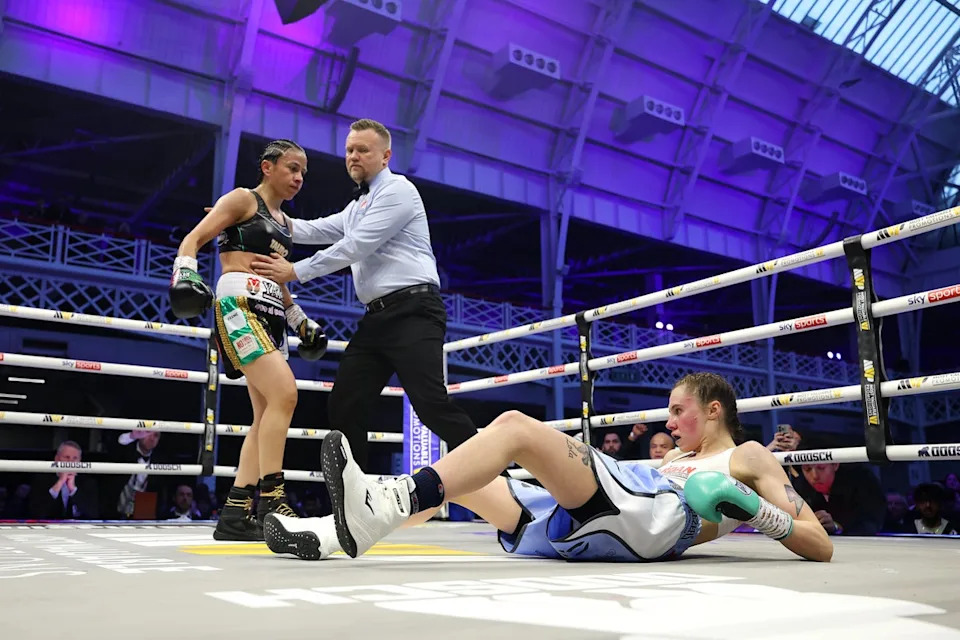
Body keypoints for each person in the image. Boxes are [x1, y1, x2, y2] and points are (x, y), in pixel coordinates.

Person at [263, 372, 833, 563]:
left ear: (714, 410)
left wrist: (757, 510)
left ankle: (371, 511)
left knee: (512, 427)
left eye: (679, 411)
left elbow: (819, 544)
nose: (671, 422)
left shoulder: (747, 456)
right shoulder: (679, 458)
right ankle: (326, 533)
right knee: (468, 481)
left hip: (654, 519)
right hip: (618, 512)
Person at [249, 118, 478, 473]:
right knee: (345, 404)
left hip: (414, 311)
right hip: (377, 318)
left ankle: (511, 489)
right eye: (349, 150)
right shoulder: (358, 206)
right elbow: (312, 229)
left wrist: (294, 271)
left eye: (362, 150)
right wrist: (249, 213)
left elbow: (355, 246)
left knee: (432, 407)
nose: (353, 156)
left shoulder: (399, 191)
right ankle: (358, 502)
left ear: (385, 156)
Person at [169, 139, 328, 541]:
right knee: (286, 395)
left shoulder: (286, 225)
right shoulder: (242, 199)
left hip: (273, 313)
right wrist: (185, 272)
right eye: (292, 168)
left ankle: (236, 514)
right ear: (267, 167)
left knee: (264, 416)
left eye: (303, 172)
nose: (298, 178)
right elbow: (193, 239)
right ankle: (273, 500)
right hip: (239, 305)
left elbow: (279, 278)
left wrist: (300, 321)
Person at [789, 437, 886, 536]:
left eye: (821, 468)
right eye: (807, 469)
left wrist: (837, 527)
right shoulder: (799, 486)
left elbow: (872, 523)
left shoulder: (862, 481)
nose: (815, 476)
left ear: (835, 465)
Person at [27, 441, 100, 520]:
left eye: (75, 458)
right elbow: (36, 514)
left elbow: (93, 514)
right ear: (57, 459)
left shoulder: (88, 482)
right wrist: (59, 483)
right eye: (67, 457)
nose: (71, 462)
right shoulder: (41, 480)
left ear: (80, 461)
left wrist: (73, 490)